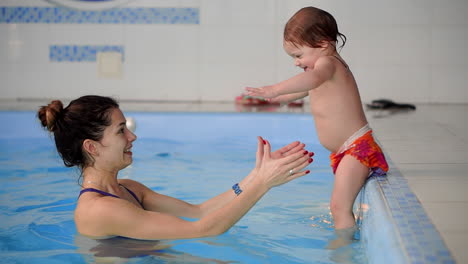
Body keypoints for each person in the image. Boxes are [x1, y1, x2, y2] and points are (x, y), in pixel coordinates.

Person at [37, 95, 314, 240]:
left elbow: (200, 212)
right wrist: (262, 184)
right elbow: (203, 229)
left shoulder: (129, 190)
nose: (132, 137)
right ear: (92, 147)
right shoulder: (99, 208)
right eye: (121, 131)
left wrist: (255, 176)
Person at [245, 6, 389, 246]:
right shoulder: (319, 69)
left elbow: (311, 79)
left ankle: (343, 251)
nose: (296, 62)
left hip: (357, 148)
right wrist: (275, 100)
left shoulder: (328, 64)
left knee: (338, 207)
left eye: (298, 55)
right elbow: (304, 89)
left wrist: (275, 88)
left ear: (322, 44)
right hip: (345, 151)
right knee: (337, 205)